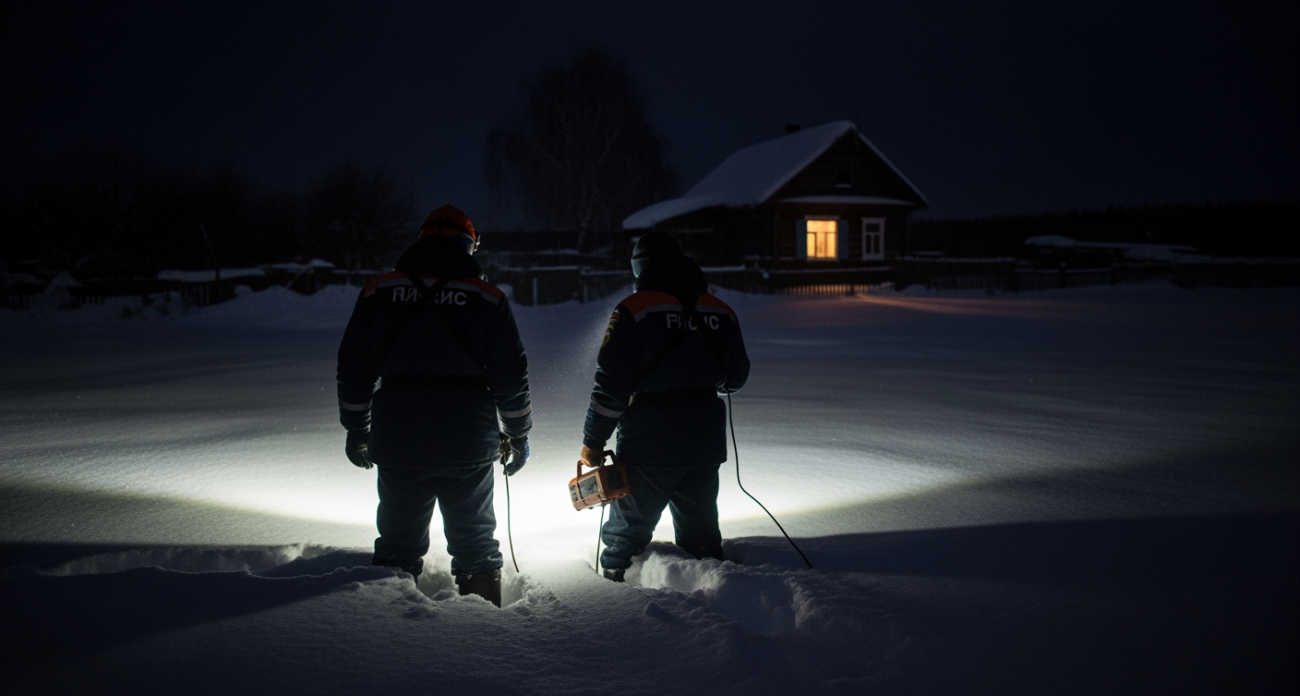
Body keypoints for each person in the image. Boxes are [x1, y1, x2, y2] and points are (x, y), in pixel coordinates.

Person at [336, 204, 531, 607]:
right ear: (468, 246)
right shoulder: (487, 297)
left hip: (398, 439)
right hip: (468, 441)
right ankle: (486, 639)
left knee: (398, 542)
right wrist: (518, 434)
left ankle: (389, 633)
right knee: (476, 541)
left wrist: (357, 430)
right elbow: (511, 376)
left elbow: (354, 369)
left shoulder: (378, 291)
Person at [579, 231, 750, 582]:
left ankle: (612, 594)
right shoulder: (721, 309)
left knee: (626, 531)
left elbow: (611, 386)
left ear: (639, 269)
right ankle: (717, 590)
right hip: (705, 442)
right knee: (701, 532)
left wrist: (593, 442)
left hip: (649, 443)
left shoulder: (634, 309)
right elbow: (736, 378)